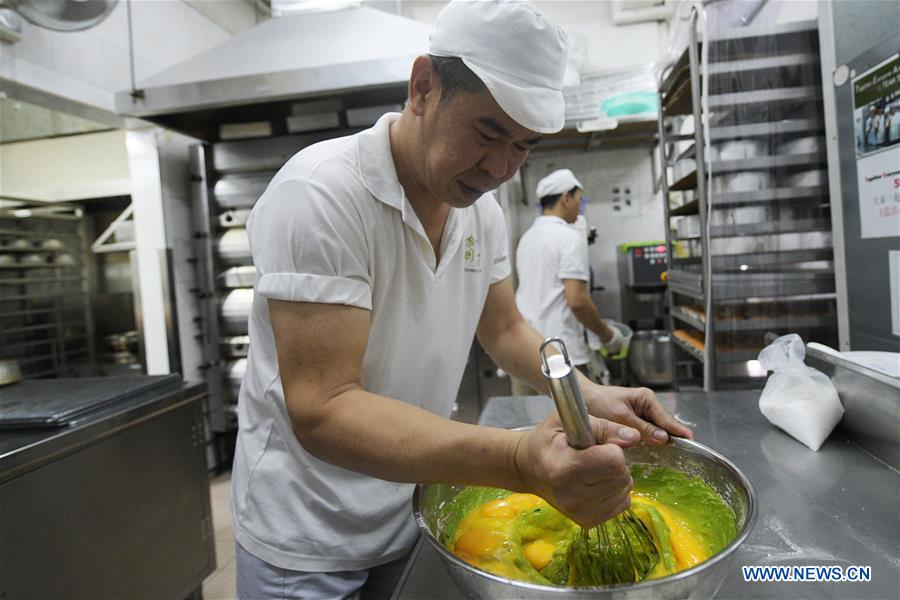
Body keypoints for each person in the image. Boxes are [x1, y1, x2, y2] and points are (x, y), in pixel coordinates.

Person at [232, 2, 693, 598]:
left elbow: (504, 329)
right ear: (423, 87)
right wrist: (520, 459)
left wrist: (591, 396)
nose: (500, 167)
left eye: (523, 146)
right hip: (306, 536)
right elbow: (324, 407)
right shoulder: (321, 195)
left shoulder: (480, 211)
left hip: (409, 507)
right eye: (487, 133)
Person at [515, 169, 624, 379]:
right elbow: (577, 302)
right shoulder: (569, 238)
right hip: (562, 353)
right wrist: (608, 336)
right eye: (579, 200)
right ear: (566, 198)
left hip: (530, 348)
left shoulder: (527, 238)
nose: (580, 207)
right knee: (575, 402)